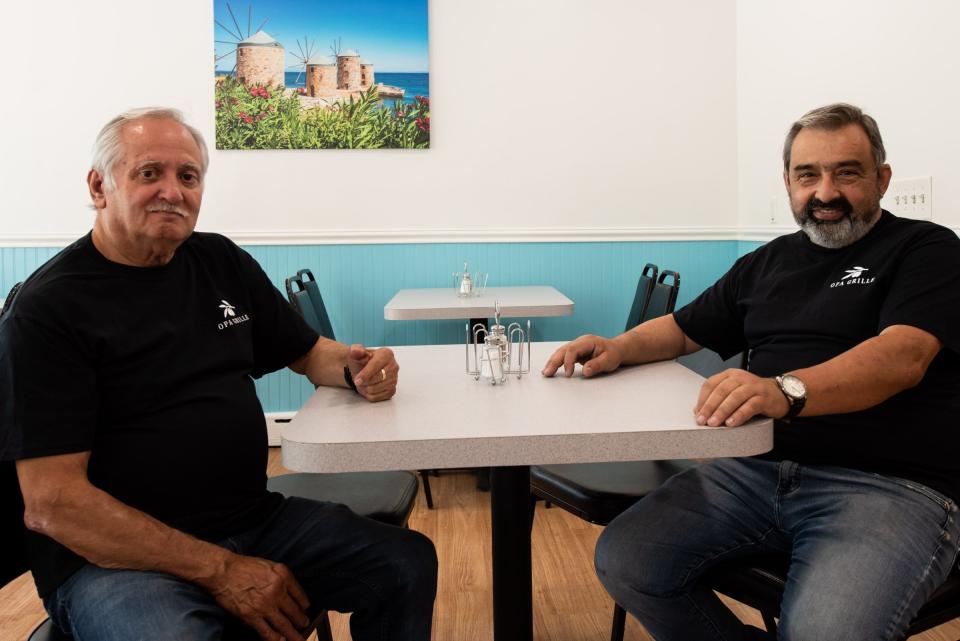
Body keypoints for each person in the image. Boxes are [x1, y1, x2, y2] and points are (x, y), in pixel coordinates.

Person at [0, 107, 437, 641]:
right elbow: (53, 504)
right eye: (148, 173)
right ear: (99, 186)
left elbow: (307, 352)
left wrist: (356, 368)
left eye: (188, 176)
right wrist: (221, 570)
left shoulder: (219, 261)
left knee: (405, 563)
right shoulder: (49, 310)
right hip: (114, 562)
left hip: (251, 520)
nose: (173, 191)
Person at [542, 103, 960, 640]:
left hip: (891, 488)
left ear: (882, 179)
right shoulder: (767, 261)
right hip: (753, 471)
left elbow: (902, 356)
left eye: (847, 172)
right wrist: (618, 346)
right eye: (807, 174)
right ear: (787, 182)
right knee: (627, 559)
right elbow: (684, 328)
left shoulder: (927, 249)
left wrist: (785, 390)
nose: (825, 192)